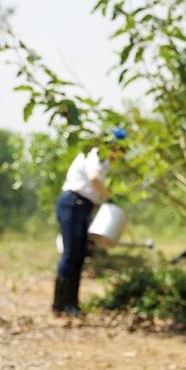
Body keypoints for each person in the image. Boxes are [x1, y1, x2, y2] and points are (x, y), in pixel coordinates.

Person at [53, 127, 128, 316]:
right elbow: (94, 179)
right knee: (71, 253)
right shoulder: (96, 153)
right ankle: (59, 303)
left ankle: (72, 303)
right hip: (72, 204)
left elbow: (89, 189)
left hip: (82, 206)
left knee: (80, 254)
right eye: (121, 149)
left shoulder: (103, 160)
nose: (120, 155)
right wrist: (109, 199)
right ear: (114, 145)